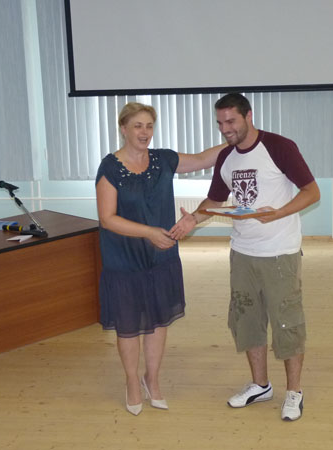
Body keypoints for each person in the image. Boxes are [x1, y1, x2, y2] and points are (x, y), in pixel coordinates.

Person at [170, 93, 320, 421]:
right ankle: (260, 385)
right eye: (220, 123)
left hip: (279, 252)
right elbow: (214, 200)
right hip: (242, 253)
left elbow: (312, 191)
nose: (226, 129)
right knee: (247, 321)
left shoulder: (279, 147)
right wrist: (194, 218)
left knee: (287, 322)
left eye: (231, 121)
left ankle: (294, 391)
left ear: (248, 116)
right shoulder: (226, 157)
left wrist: (278, 212)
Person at [95, 102, 225, 416]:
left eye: (149, 126)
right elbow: (107, 219)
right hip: (124, 259)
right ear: (123, 129)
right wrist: (149, 232)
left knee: (157, 321)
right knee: (129, 324)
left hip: (161, 257)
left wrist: (239, 137)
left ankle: (151, 379)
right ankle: (132, 382)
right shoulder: (110, 167)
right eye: (138, 126)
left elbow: (203, 158)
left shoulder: (163, 160)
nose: (145, 132)